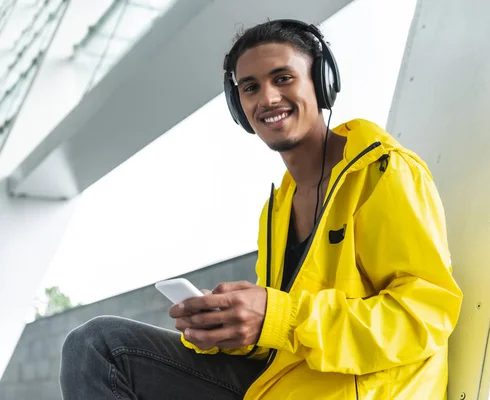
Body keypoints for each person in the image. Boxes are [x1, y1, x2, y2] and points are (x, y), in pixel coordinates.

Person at [60, 19, 462, 399]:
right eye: (250, 87)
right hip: (283, 386)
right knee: (99, 346)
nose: (267, 98)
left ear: (322, 84)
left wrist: (278, 315)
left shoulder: (383, 172)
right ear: (239, 106)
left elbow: (422, 317)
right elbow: (279, 338)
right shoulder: (277, 208)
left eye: (283, 78)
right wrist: (228, 329)